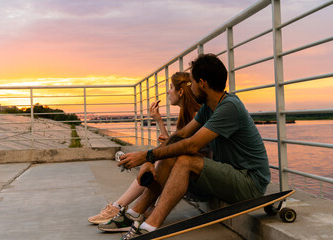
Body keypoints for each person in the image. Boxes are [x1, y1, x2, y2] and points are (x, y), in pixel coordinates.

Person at [115, 53, 271, 239]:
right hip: (228, 175)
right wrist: (152, 158)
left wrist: (147, 156)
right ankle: (136, 213)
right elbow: (181, 135)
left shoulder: (229, 107)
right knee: (173, 154)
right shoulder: (208, 107)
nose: (191, 87)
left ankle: (150, 226)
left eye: (192, 82)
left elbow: (191, 145)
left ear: (202, 83)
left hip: (249, 182)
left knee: (185, 160)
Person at [87, 72, 201, 228]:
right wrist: (159, 121)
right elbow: (175, 146)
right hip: (184, 166)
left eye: (170, 88)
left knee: (156, 161)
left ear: (180, 92)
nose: (168, 92)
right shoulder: (187, 115)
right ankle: (127, 207)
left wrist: (148, 158)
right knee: (157, 159)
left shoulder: (196, 116)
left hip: (193, 172)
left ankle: (119, 207)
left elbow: (181, 150)